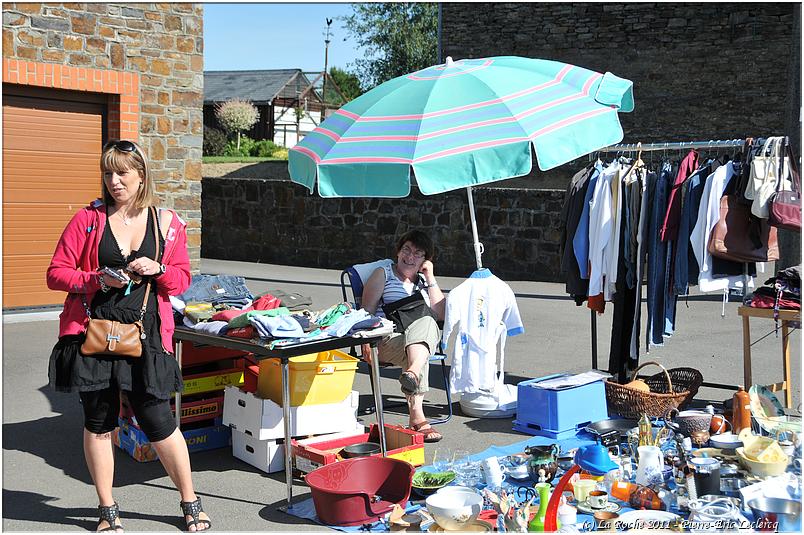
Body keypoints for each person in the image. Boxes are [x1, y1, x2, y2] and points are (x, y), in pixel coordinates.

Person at [46, 140, 211, 532]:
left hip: (146, 333)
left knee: (158, 420)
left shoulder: (166, 222)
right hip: (94, 332)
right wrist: (96, 280)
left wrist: (159, 269)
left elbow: (182, 280)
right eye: (108, 173)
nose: (114, 181)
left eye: (122, 173)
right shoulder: (88, 219)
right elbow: (56, 273)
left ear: (141, 175)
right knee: (99, 421)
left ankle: (190, 501)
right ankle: (107, 510)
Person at [360, 230, 446, 443]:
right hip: (386, 340)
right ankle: (417, 415)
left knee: (427, 325)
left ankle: (412, 374)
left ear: (425, 260)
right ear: (398, 252)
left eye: (418, 253)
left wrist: (430, 277)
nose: (410, 256)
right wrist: (365, 344)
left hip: (415, 341)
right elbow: (365, 313)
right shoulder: (384, 274)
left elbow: (441, 314)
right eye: (406, 250)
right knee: (421, 348)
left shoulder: (424, 281)